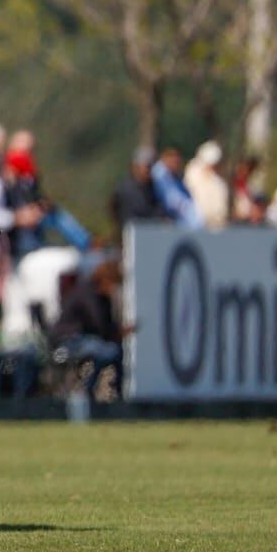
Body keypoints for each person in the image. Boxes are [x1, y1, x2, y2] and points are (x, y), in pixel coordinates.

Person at [51, 258, 129, 399]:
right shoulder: (88, 294)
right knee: (104, 353)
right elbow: (99, 325)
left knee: (114, 352)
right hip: (69, 340)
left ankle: (115, 392)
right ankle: (88, 392)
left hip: (83, 339)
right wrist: (118, 333)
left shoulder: (101, 297)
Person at [112, 146, 165, 227]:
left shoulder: (152, 187)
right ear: (135, 167)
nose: (150, 170)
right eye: (148, 166)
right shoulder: (126, 189)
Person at [182, 141, 230, 231]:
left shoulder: (219, 184)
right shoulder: (192, 173)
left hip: (214, 227)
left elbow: (220, 211)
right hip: (194, 225)